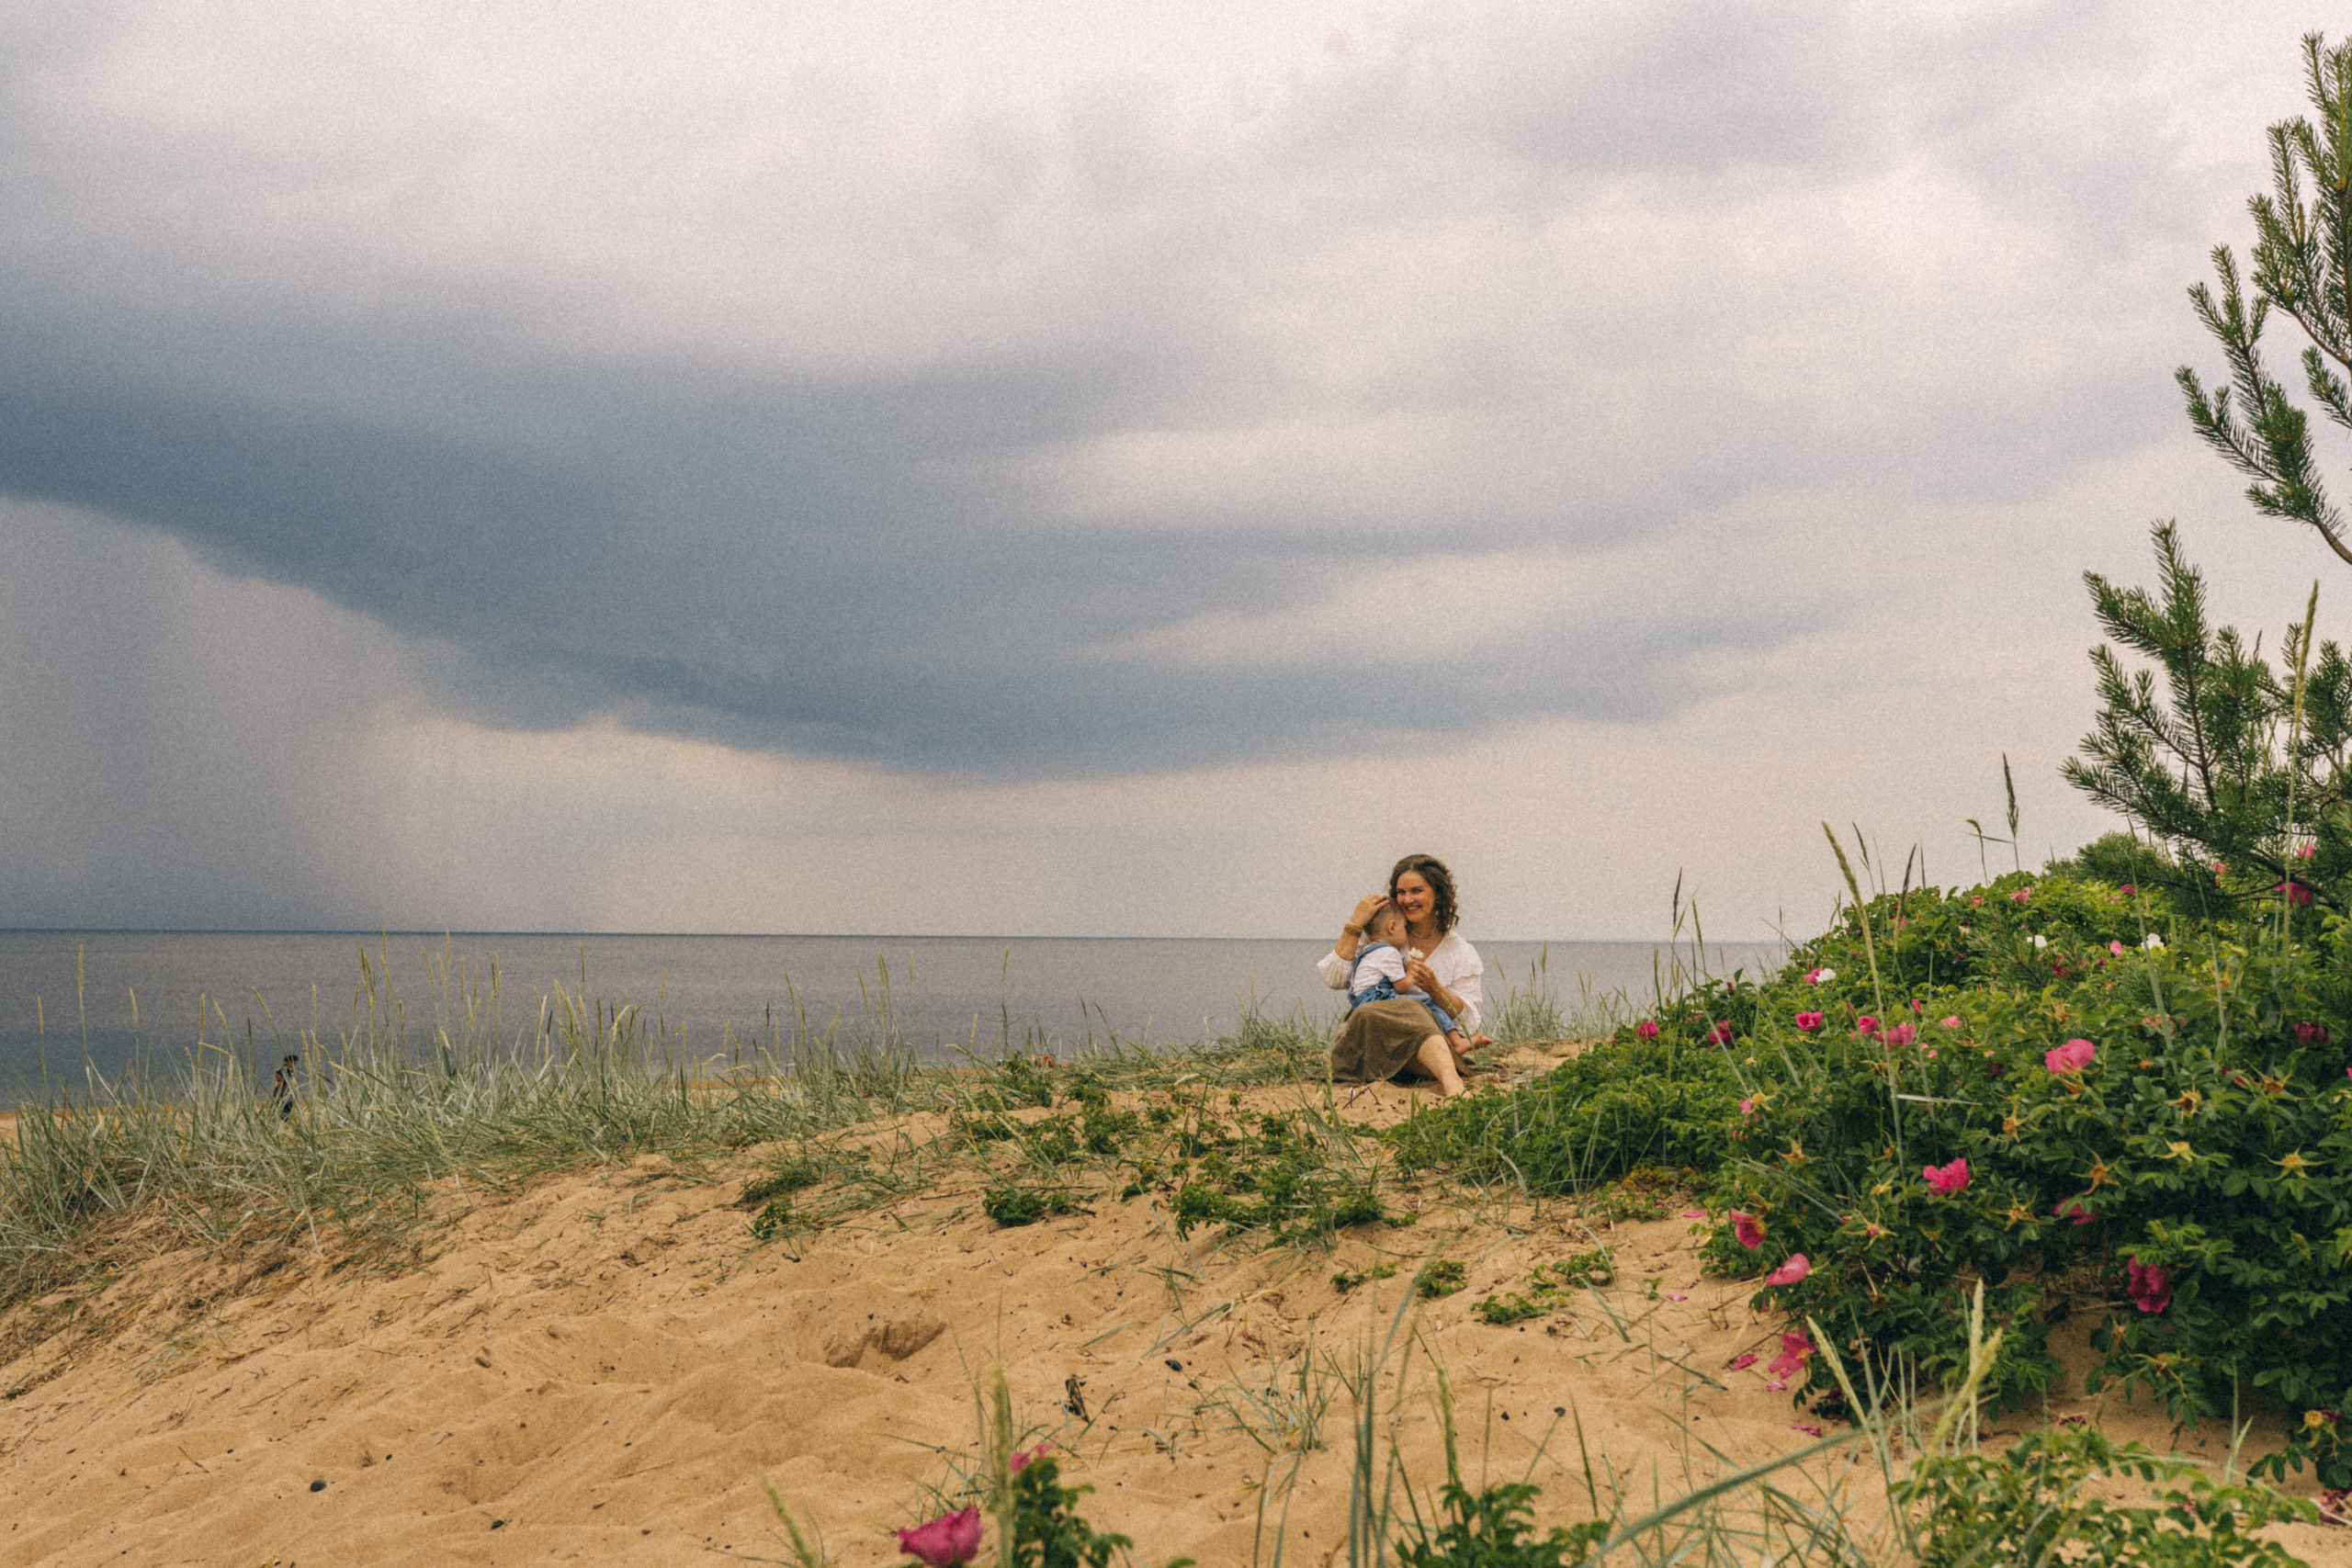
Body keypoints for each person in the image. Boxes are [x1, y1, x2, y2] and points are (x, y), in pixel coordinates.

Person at [1322, 853, 1489, 1096]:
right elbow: (1333, 978)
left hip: (1426, 1046)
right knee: (1409, 1006)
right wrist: (1355, 924)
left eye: (1416, 891)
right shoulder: (1382, 934)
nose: (1407, 899)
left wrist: (1435, 989)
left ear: (1437, 894)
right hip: (1374, 1034)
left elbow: (1469, 1021)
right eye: (1401, 892)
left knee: (1417, 1010)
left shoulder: (1461, 951)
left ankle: (1450, 1079)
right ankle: (1454, 1076)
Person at [1347, 900, 1476, 1062]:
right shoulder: (1388, 952)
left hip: (1361, 1001)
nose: (1407, 933)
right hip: (1376, 998)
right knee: (1428, 1004)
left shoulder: (1368, 950)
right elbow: (1402, 986)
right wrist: (1411, 974)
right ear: (1392, 927)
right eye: (1404, 928)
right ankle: (1456, 1041)